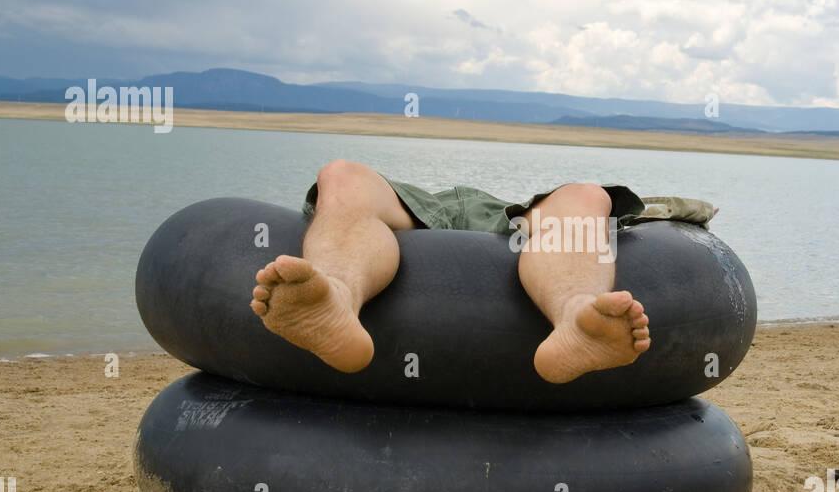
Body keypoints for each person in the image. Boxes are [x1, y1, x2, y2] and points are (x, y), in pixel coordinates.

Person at [249, 160, 653, 384]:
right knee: (339, 175)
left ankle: (577, 316)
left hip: (514, 216)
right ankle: (334, 296)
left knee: (587, 196)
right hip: (417, 207)